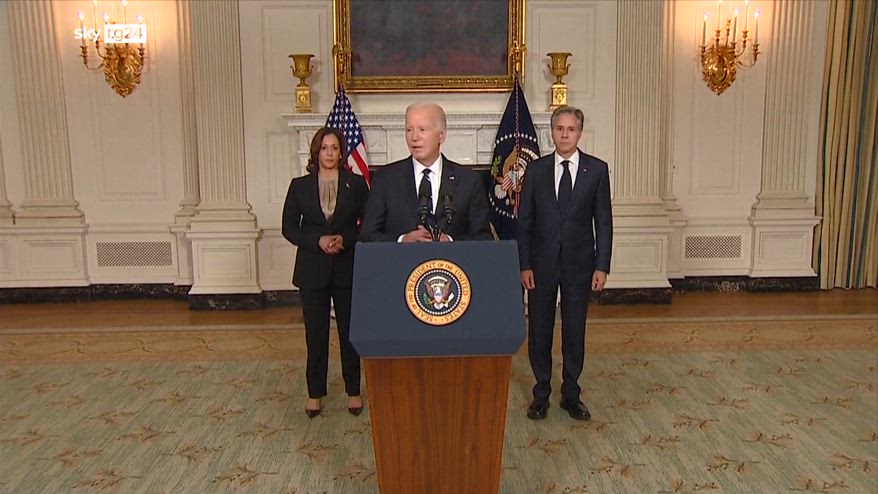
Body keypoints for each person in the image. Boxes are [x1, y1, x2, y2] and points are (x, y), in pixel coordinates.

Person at [516, 105, 613, 421]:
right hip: (540, 265)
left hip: (580, 265)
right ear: (552, 132)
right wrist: (524, 264)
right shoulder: (536, 170)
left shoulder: (597, 170)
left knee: (574, 329)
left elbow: (604, 222)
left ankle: (571, 394)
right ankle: (541, 393)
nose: (565, 135)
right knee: (540, 329)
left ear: (579, 133)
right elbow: (524, 221)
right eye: (559, 129)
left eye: (571, 129)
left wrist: (601, 266)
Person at [282, 127, 370, 418]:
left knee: (349, 332)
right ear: (316, 152)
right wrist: (317, 241)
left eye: (334, 148)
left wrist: (346, 239)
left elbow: (369, 224)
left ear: (341, 151)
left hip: (347, 268)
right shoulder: (299, 186)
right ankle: (315, 393)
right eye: (324, 148)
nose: (329, 153)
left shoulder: (357, 184)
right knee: (316, 335)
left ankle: (353, 390)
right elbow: (289, 228)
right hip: (312, 270)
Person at [359, 102, 492, 242]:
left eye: (422, 129)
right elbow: (367, 236)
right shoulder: (385, 179)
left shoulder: (468, 180)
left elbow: (484, 237)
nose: (414, 137)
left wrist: (450, 242)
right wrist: (402, 240)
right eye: (409, 130)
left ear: (441, 135)